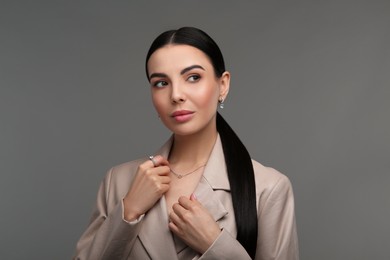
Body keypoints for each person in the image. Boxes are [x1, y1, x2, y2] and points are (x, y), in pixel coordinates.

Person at [74, 26, 299, 260]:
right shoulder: (118, 181)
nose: (176, 95)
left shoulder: (268, 188)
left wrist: (215, 244)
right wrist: (128, 212)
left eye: (193, 77)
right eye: (161, 83)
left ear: (223, 85)